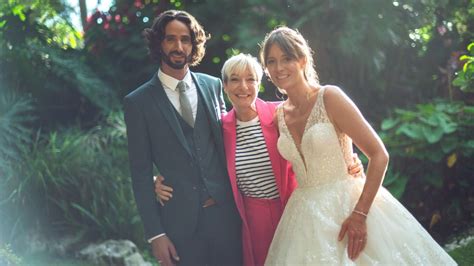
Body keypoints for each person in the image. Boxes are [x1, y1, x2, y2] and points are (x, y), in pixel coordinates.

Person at [259, 26, 457, 265]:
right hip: (303, 216)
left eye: (286, 58)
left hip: (349, 205)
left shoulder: (330, 97)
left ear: (302, 60)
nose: (279, 68)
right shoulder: (277, 116)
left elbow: (379, 154)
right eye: (271, 61)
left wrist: (360, 214)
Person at [155, 53, 364, 266]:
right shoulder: (220, 129)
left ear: (259, 84)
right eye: (234, 79)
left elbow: (315, 143)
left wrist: (348, 159)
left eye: (250, 79)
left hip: (294, 210)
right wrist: (163, 179)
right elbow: (197, 160)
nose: (243, 86)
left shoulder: (281, 114)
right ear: (225, 87)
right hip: (252, 220)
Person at [123, 10, 242, 266]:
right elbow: (140, 172)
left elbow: (233, 138)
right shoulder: (138, 102)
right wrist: (156, 234)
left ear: (193, 44)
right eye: (170, 39)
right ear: (159, 43)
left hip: (227, 219)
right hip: (180, 228)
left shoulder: (212, 86)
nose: (179, 47)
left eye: (185, 39)